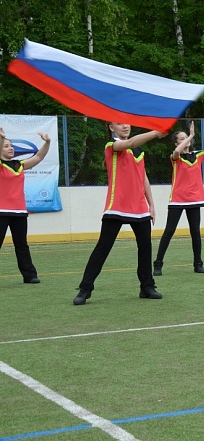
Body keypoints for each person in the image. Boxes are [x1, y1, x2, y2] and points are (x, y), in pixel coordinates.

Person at [73, 123, 166, 305]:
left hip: (139, 207)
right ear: (111, 127)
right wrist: (155, 132)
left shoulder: (139, 150)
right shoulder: (111, 146)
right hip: (117, 206)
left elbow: (143, 177)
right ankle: (85, 289)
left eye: (127, 123)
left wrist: (151, 204)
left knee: (145, 248)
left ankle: (147, 287)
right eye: (119, 123)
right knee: (103, 248)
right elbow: (130, 143)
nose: (125, 126)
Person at [153, 121, 204, 275]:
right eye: (182, 138)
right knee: (169, 231)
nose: (185, 140)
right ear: (176, 142)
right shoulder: (175, 158)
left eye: (186, 137)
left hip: (195, 199)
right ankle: (158, 264)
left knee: (195, 232)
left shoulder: (197, 156)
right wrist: (192, 135)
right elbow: (177, 151)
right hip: (178, 199)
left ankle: (198, 264)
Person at [0, 128, 51, 284]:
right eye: (6, 146)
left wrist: (47, 142)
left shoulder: (20, 165)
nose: (11, 148)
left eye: (11, 145)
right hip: (1, 211)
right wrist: (1, 138)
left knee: (22, 244)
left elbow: (39, 157)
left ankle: (29, 275)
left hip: (19, 211)